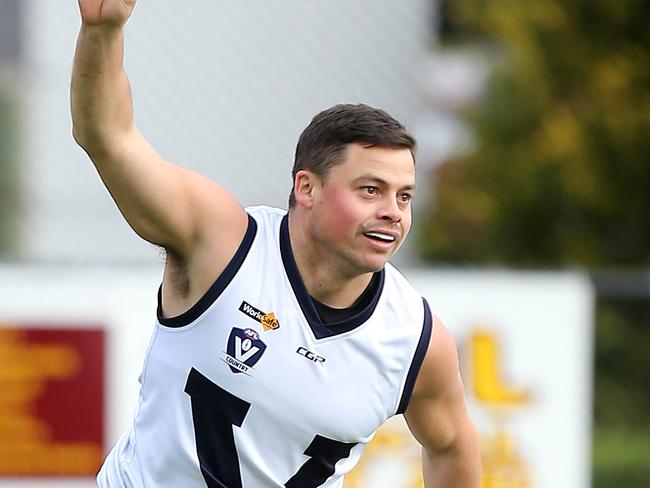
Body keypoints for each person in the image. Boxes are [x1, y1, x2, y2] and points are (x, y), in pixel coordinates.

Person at [71, 1, 480, 487]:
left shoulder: (415, 339)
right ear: (307, 188)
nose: (393, 211)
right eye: (370, 190)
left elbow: (453, 445)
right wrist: (103, 29)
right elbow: (109, 138)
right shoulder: (222, 243)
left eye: (405, 195)